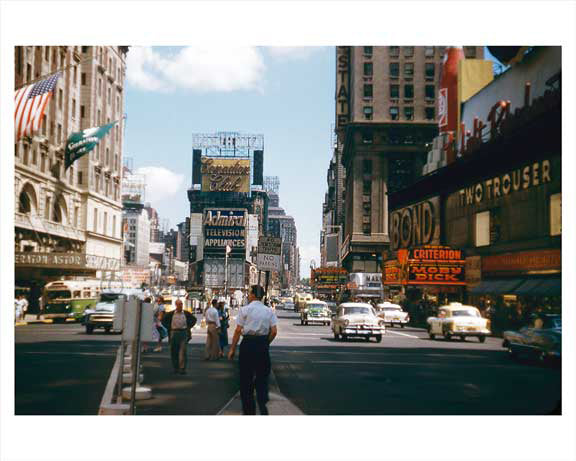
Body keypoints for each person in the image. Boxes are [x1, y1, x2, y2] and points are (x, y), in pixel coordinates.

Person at [228, 285, 278, 415]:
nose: (248, 295)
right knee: (262, 376)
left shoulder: (245, 310)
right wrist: (265, 343)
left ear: (254, 295)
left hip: (248, 344)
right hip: (262, 345)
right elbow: (274, 332)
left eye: (249, 293)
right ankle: (262, 402)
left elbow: (238, 331)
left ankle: (248, 411)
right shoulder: (269, 311)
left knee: (246, 378)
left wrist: (232, 349)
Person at [161, 299, 196, 375]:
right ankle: (176, 368)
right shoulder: (171, 314)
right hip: (174, 332)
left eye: (181, 304)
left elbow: (194, 319)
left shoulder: (186, 313)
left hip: (183, 333)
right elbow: (163, 320)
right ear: (176, 305)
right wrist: (169, 327)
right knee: (174, 351)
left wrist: (189, 326)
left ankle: (182, 368)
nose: (180, 306)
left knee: (183, 351)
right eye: (179, 304)